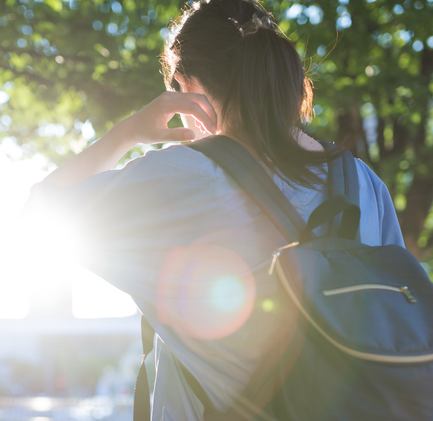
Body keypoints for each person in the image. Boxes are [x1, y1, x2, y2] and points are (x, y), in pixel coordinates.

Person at [21, 0, 404, 419]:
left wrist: (128, 132)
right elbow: (399, 316)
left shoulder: (183, 177)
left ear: (183, 89)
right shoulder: (363, 182)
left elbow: (40, 215)